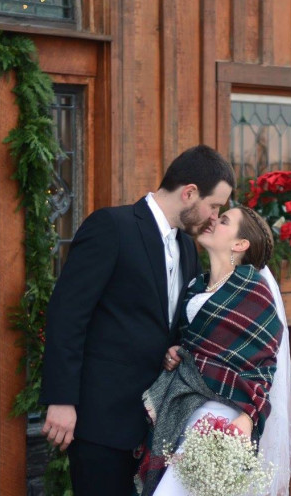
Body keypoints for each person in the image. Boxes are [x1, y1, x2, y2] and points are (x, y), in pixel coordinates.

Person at [39, 145, 237, 496]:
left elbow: (168, 325)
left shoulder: (188, 248)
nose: (213, 216)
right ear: (189, 192)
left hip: (156, 428)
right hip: (100, 422)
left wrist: (175, 348)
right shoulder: (112, 227)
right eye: (214, 206)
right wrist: (61, 400)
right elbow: (67, 315)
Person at [136, 205, 291, 496]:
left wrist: (248, 418)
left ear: (239, 244)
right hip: (181, 408)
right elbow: (193, 346)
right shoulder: (195, 286)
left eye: (224, 220)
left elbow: (263, 366)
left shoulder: (254, 290)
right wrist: (176, 353)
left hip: (223, 416)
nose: (213, 221)